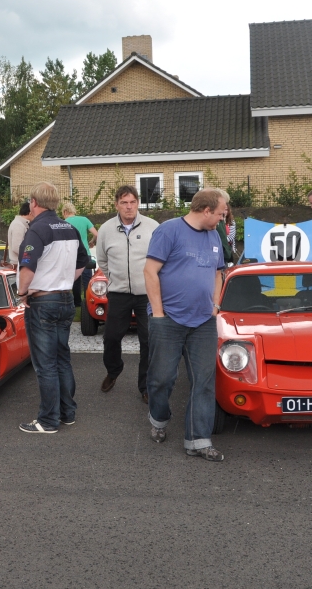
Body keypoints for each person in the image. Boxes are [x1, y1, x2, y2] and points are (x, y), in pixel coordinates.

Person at [144, 187, 228, 462]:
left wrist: (215, 307)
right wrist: (158, 314)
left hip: (203, 321)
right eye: (220, 214)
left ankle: (198, 440)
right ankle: (159, 419)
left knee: (204, 381)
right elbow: (150, 271)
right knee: (162, 379)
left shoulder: (214, 235)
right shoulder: (168, 231)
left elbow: (218, 274)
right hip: (168, 319)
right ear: (206, 210)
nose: (223, 218)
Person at [15, 182, 89, 434]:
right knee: (62, 359)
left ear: (34, 203)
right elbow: (84, 261)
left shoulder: (37, 229)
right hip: (65, 299)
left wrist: (22, 293)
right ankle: (67, 413)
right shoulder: (69, 228)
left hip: (43, 302)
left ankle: (47, 420)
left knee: (45, 364)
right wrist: (66, 279)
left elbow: (27, 266)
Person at [95, 185, 159, 403]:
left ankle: (146, 386)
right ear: (117, 205)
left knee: (148, 340)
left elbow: (161, 258)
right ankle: (113, 370)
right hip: (119, 293)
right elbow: (102, 260)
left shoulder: (153, 227)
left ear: (138, 203)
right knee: (111, 337)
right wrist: (115, 277)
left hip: (147, 294)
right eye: (124, 202)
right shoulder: (106, 229)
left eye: (132, 202)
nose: (129, 207)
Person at [61, 201, 97, 302]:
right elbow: (96, 234)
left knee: (75, 279)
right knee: (87, 278)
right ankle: (88, 300)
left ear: (65, 212)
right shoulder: (84, 219)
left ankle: (77, 302)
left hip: (71, 254)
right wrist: (92, 242)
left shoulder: (64, 223)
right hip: (85, 253)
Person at [6, 201, 33, 267]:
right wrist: (31, 255)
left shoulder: (21, 224)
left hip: (21, 263)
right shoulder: (18, 225)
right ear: (30, 213)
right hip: (19, 264)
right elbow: (17, 248)